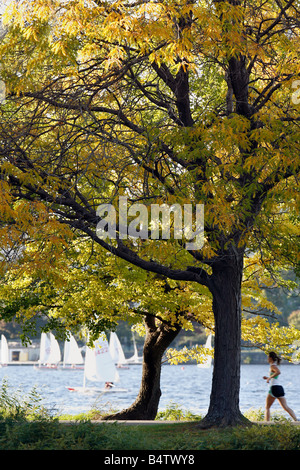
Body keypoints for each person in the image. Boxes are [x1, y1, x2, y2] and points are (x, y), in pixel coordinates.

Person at [263, 351, 297, 422]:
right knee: (286, 407)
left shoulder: (273, 366)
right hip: (279, 388)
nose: (267, 359)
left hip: (274, 388)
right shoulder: (274, 365)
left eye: (268, 358)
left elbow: (278, 372)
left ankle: (267, 423)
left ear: (270, 358)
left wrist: (269, 378)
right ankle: (296, 421)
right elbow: (275, 376)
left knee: (267, 407)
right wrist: (268, 377)